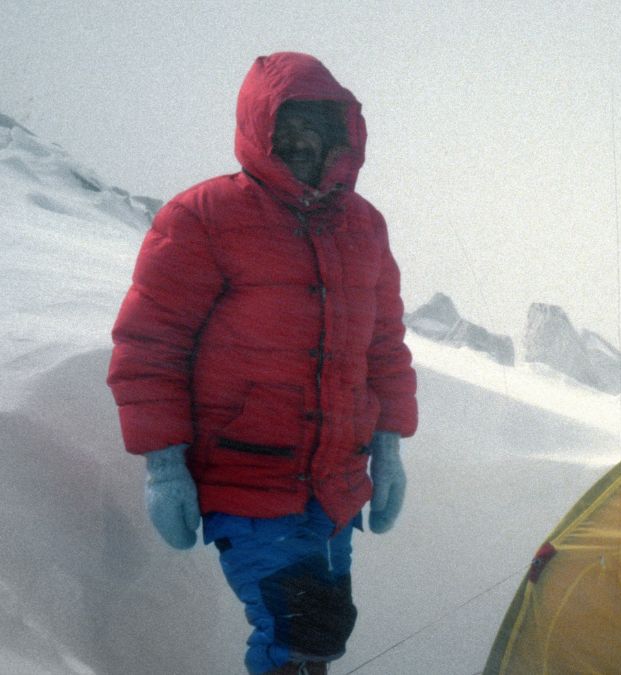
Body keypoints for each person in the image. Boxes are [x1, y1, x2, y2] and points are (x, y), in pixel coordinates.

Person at [107, 51, 418, 675]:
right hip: (245, 482)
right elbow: (150, 344)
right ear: (259, 129)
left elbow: (384, 346)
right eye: (288, 127)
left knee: (324, 633)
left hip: (335, 485)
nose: (304, 142)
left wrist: (389, 452)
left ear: (344, 136)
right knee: (298, 632)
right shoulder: (203, 218)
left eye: (319, 127)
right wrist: (164, 467)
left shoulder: (364, 227)